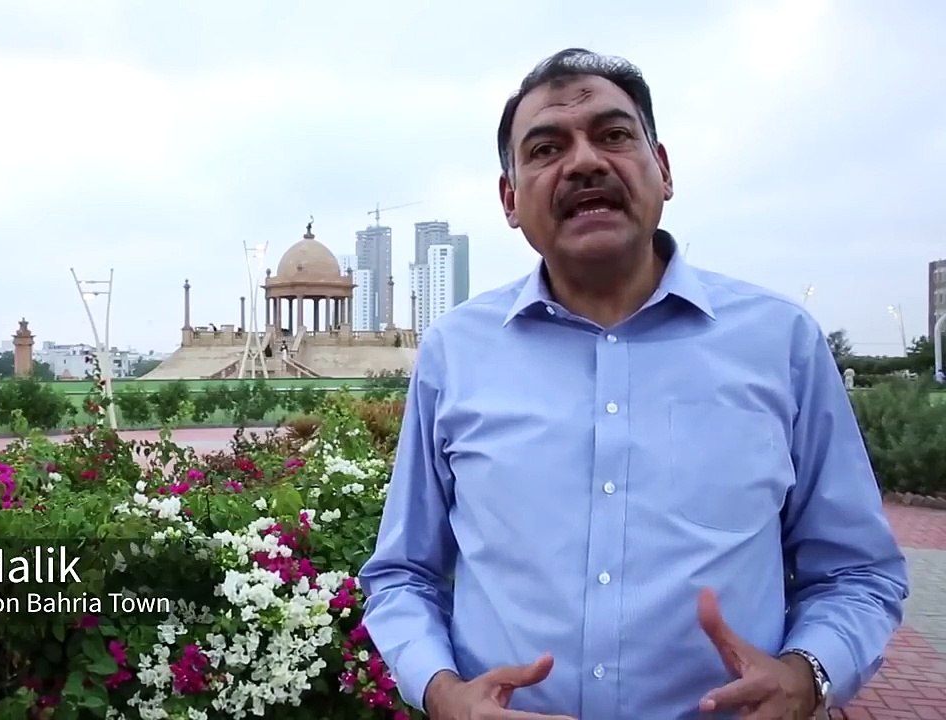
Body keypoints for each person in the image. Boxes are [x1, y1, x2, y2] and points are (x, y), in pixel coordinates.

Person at [357, 48, 909, 720]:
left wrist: (809, 674)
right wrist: (444, 694)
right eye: (546, 148)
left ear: (664, 170)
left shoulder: (780, 343)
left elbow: (857, 571)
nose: (585, 161)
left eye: (614, 135)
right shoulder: (455, 352)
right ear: (510, 199)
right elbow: (403, 574)